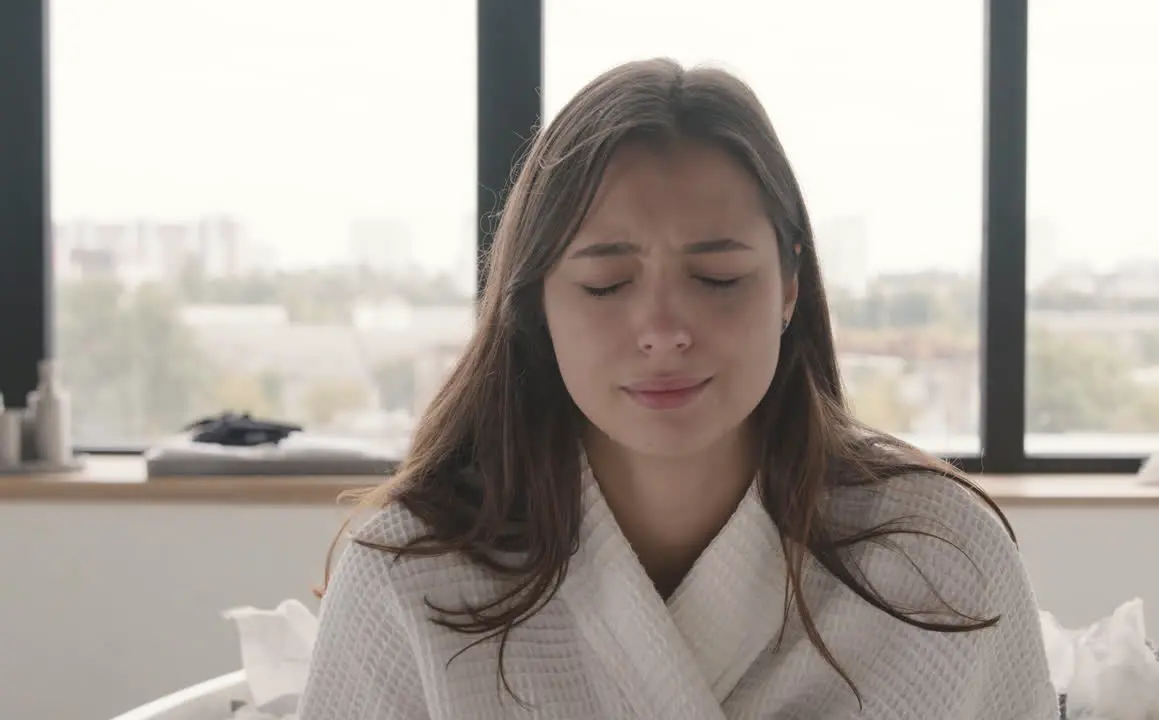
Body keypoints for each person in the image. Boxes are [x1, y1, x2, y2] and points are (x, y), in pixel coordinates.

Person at [298, 58, 1059, 719]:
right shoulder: (409, 570)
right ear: (537, 305)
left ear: (790, 284)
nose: (663, 329)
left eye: (717, 277)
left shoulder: (939, 557)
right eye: (604, 284)